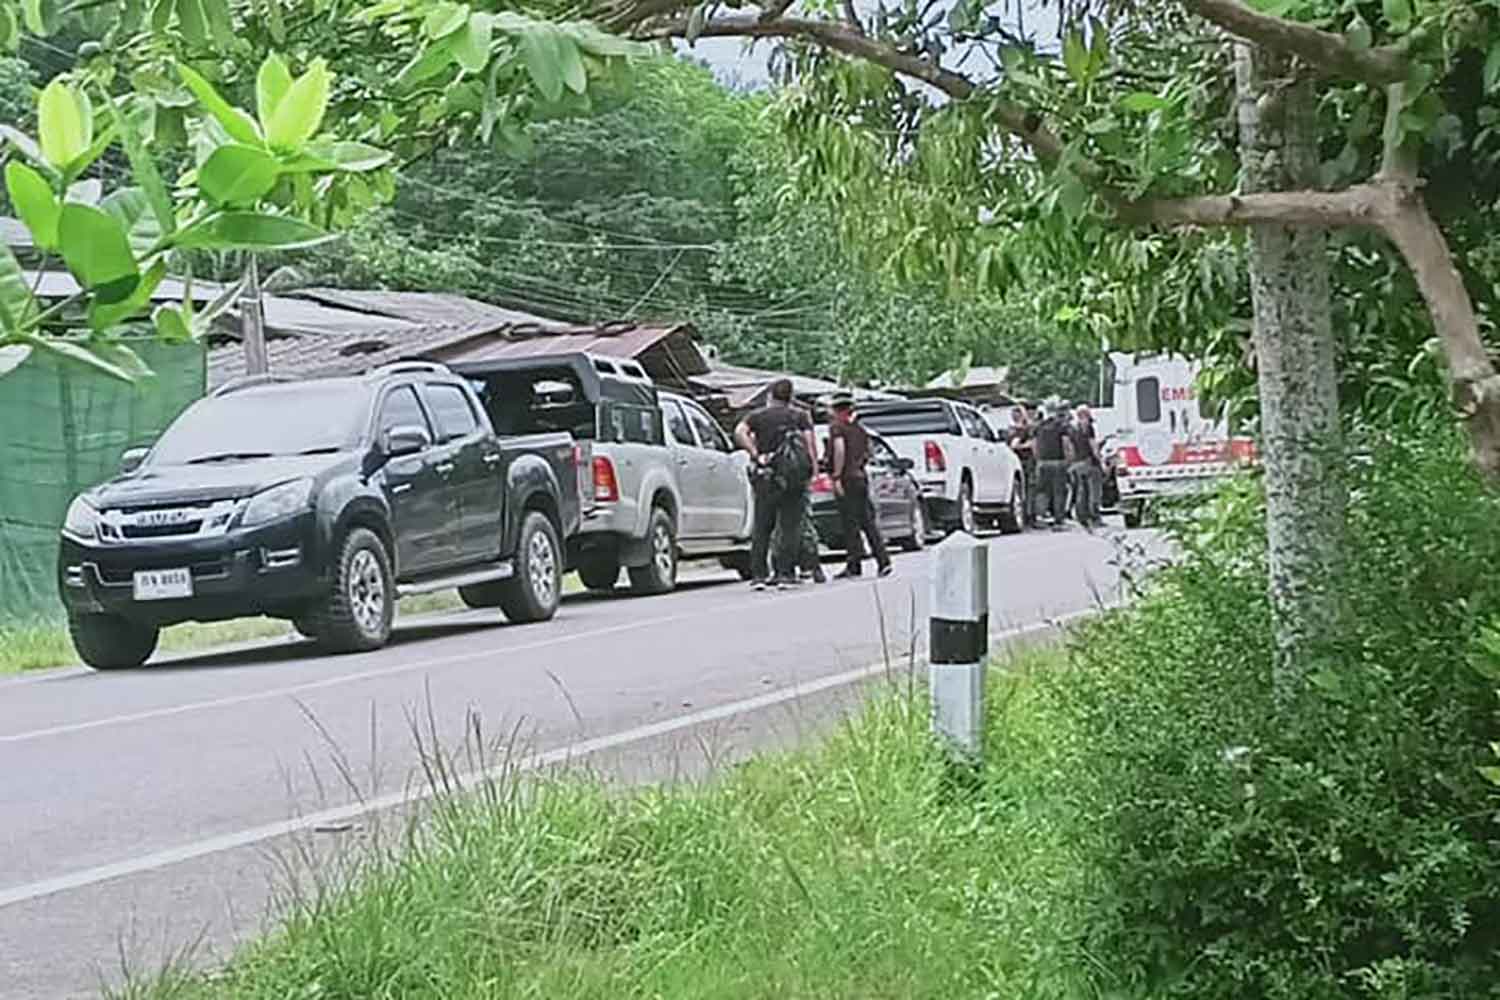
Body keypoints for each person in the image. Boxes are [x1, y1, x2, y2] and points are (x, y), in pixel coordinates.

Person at [735, 378, 816, 589]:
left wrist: (755, 453)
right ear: (791, 396)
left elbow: (739, 432)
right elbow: (810, 444)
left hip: (767, 475)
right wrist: (812, 470)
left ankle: (759, 575)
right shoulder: (800, 416)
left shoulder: (757, 416)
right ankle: (784, 574)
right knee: (790, 526)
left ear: (770, 395)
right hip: (794, 477)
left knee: (762, 526)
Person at [827, 394, 892, 579]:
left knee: (849, 523)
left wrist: (837, 476)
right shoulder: (861, 430)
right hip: (861, 477)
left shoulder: (837, 428)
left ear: (839, 411)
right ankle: (883, 561)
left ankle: (854, 564)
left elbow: (840, 449)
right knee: (867, 522)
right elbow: (869, 453)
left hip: (847, 478)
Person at [1033, 397, 1073, 530]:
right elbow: (1066, 443)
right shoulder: (1060, 426)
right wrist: (1069, 459)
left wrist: (1038, 459)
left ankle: (1040, 518)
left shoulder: (1039, 427)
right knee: (1058, 492)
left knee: (1042, 491)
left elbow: (1035, 445)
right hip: (1058, 461)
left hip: (1042, 462)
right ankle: (1058, 521)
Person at [1068, 405, 1105, 529]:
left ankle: (1082, 516)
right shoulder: (1088, 427)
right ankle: (1094, 517)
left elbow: (1070, 447)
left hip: (1077, 463)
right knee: (1094, 491)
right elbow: (1093, 446)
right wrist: (1100, 461)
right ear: (1086, 414)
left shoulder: (1072, 428)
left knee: (1081, 490)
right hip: (1089, 462)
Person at [1006, 404, 1039, 528]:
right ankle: (1029, 516)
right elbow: (1030, 444)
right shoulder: (1022, 430)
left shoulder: (1018, 429)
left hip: (1022, 461)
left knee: (1028, 489)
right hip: (1023, 462)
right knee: (1028, 489)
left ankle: (1029, 515)